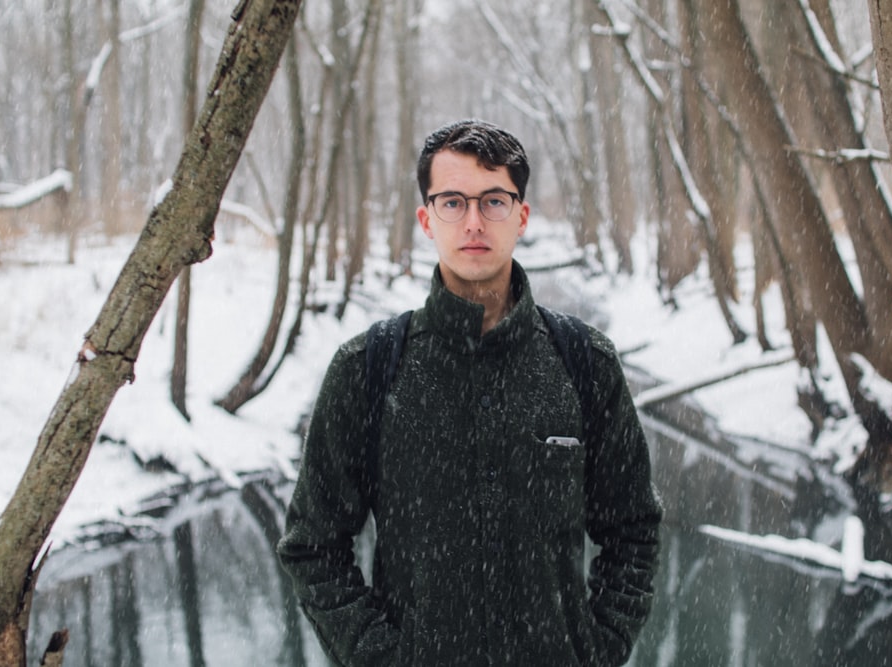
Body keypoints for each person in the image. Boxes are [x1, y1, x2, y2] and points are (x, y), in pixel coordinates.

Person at [277, 119, 662, 665]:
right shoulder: (368, 369)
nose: (474, 221)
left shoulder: (583, 363)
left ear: (522, 216)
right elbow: (313, 548)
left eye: (494, 201)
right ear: (426, 219)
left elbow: (633, 530)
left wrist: (597, 650)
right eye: (452, 202)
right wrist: (380, 657)